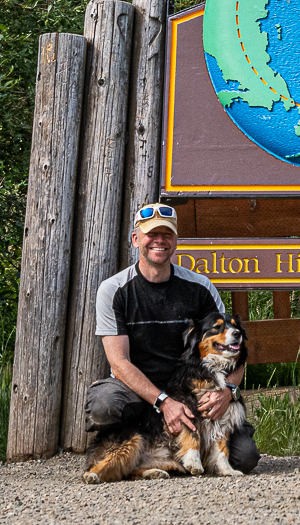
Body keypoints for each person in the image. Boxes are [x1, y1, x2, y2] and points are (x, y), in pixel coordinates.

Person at [84, 202, 260, 473]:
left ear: (176, 241)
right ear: (136, 239)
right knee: (105, 404)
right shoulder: (114, 290)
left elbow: (232, 350)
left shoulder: (200, 287)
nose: (159, 240)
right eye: (151, 234)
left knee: (245, 458)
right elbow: (119, 363)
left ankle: (170, 456)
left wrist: (228, 391)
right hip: (139, 393)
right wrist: (164, 401)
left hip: (193, 389)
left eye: (166, 234)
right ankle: (128, 451)